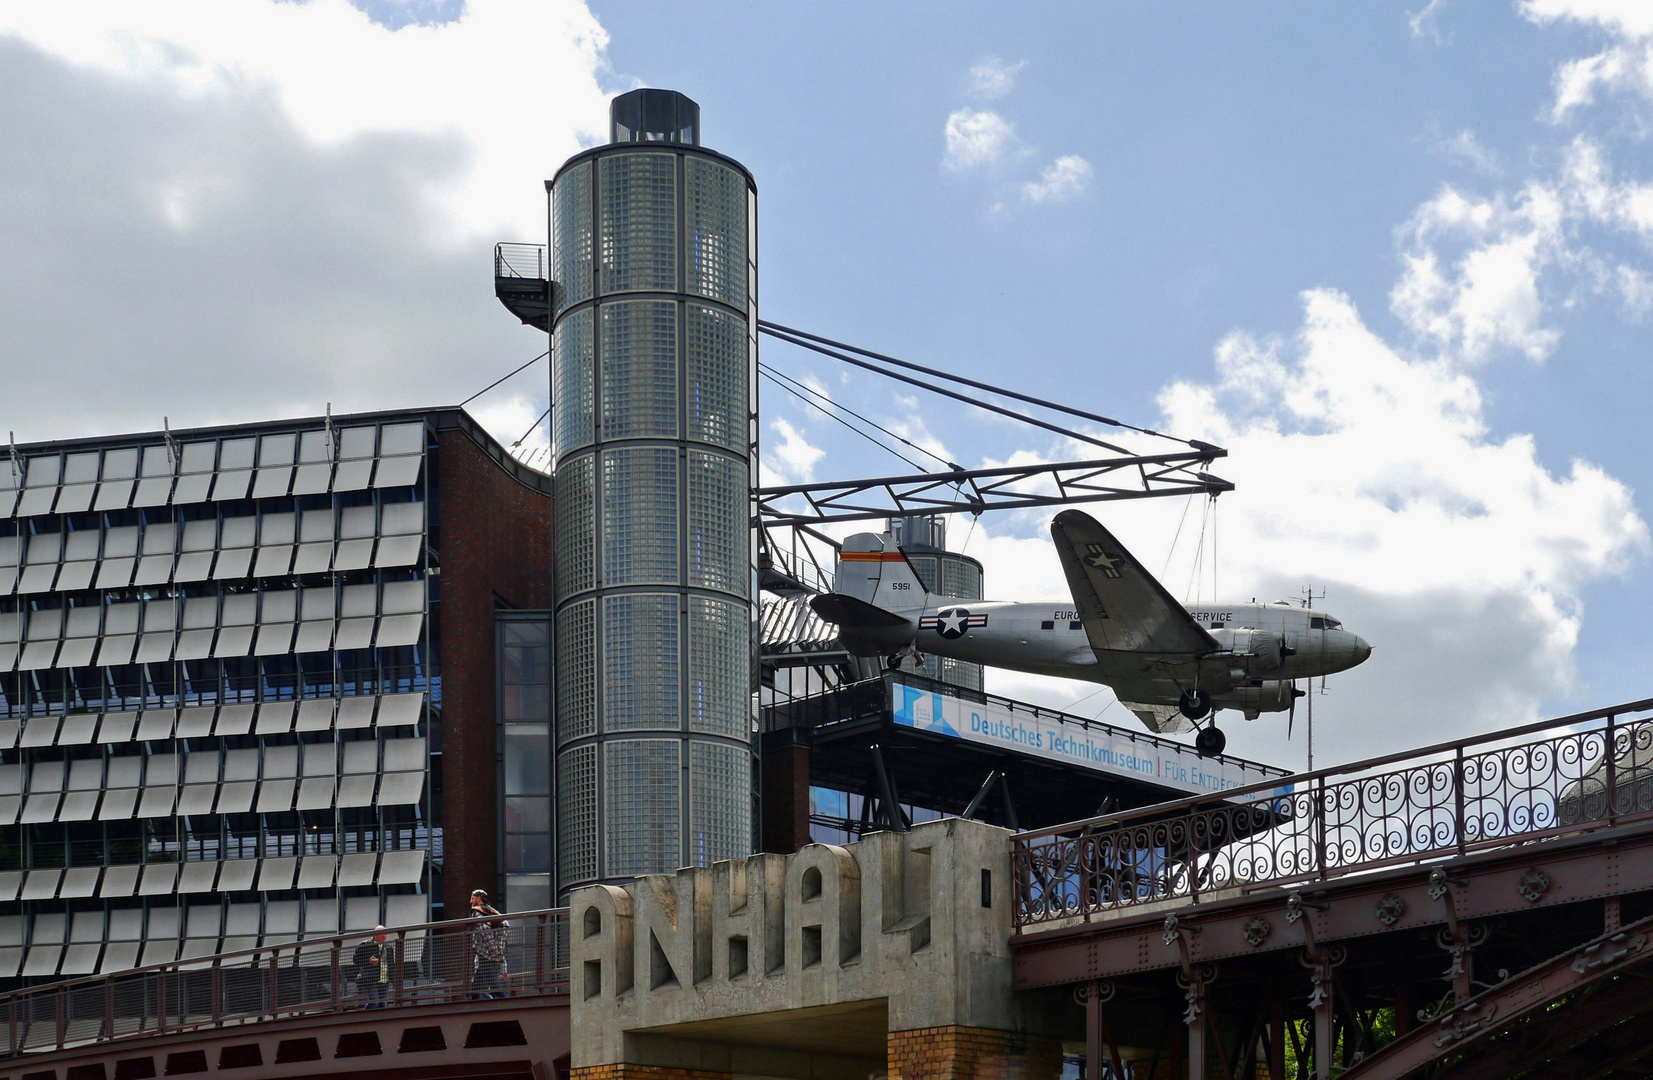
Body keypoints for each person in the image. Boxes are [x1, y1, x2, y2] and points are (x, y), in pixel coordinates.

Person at [469, 889, 509, 999]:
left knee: (491, 984)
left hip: (486, 955)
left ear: (478, 899)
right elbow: (504, 927)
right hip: (491, 955)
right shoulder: (492, 911)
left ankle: (506, 1001)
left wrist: (494, 952)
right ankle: (477, 1005)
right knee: (476, 986)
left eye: (472, 898)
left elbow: (485, 932)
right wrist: (501, 959)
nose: (470, 901)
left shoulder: (477, 912)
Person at [353, 926, 391, 1008]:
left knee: (383, 1004)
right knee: (374, 1002)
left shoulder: (388, 947)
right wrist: (368, 961)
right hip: (371, 978)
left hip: (385, 979)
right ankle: (366, 1018)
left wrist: (393, 978)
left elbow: (391, 964)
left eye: (385, 934)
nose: (384, 936)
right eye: (381, 934)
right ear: (375, 934)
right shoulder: (365, 945)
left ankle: (379, 1020)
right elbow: (356, 960)